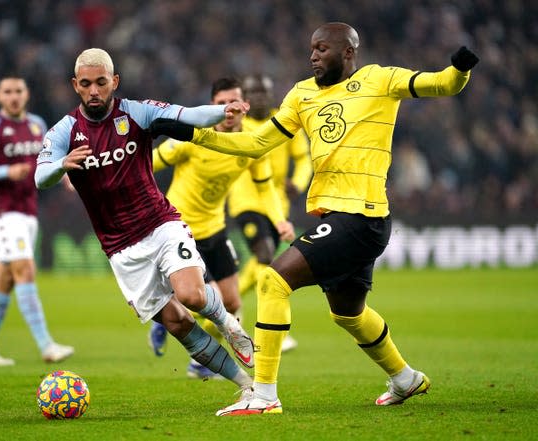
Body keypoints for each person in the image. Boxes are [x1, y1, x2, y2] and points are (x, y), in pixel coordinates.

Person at [149, 22, 479, 415]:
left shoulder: (380, 79)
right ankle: (406, 378)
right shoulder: (301, 94)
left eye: (323, 48)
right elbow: (255, 143)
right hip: (343, 217)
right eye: (311, 49)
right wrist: (195, 134)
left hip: (361, 217)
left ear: (349, 52)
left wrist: (459, 69)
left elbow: (443, 84)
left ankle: (265, 396)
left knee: (273, 282)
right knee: (348, 313)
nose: (314, 55)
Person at [34, 48, 255, 392]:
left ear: (114, 82)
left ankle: (230, 325)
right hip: (120, 248)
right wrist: (61, 166)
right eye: (87, 84)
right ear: (75, 85)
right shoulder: (64, 132)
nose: (95, 91)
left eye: (102, 83)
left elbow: (188, 115)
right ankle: (246, 385)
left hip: (159, 224)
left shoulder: (137, 112)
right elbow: (40, 177)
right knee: (178, 323)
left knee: (193, 295)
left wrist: (222, 111)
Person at [148, 77, 295, 378]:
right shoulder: (193, 137)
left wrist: (279, 218)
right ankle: (171, 319)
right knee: (206, 296)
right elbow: (149, 162)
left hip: (215, 227)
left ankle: (197, 360)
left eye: (234, 103)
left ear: (245, 105)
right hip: (179, 227)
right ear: (210, 107)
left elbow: (265, 187)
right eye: (220, 104)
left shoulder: (253, 142)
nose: (229, 110)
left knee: (231, 301)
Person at [0, 75, 74, 366]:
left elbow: (48, 159)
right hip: (3, 213)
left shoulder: (37, 124)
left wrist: (64, 177)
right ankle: (46, 345)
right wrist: (5, 173)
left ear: (27, 95)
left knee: (4, 280)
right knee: (25, 268)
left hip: (27, 212)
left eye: (18, 91)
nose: (13, 96)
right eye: (7, 92)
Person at [228, 74, 312, 353]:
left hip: (278, 205)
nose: (259, 97)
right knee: (265, 256)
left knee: (261, 263)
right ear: (244, 97)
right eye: (253, 92)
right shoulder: (238, 125)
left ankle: (216, 304)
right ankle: (272, 329)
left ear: (271, 93)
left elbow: (303, 160)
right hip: (246, 200)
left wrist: (298, 185)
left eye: (263, 92)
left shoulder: (285, 122)